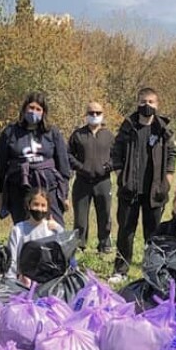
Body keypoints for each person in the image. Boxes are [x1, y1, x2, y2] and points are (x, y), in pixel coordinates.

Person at [110, 87, 176, 283]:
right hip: (130, 189)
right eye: (143, 101)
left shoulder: (164, 130)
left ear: (157, 105)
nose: (146, 105)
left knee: (153, 233)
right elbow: (116, 152)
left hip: (154, 191)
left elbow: (172, 154)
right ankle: (120, 270)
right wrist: (120, 174)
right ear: (137, 103)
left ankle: (152, 270)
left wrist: (168, 179)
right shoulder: (128, 127)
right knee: (126, 231)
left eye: (151, 102)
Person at [0, 92, 72, 226]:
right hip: (20, 187)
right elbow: (0, 165)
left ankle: (53, 247)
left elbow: (63, 165)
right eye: (31, 108)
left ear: (43, 112)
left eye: (38, 109)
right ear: (24, 109)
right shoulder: (10, 132)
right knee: (24, 225)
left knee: (54, 225)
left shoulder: (52, 132)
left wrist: (64, 194)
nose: (34, 112)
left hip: (49, 186)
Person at [69, 101, 115, 253]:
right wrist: (81, 168)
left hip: (103, 181)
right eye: (91, 113)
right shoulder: (77, 135)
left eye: (98, 113)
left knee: (105, 215)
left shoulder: (109, 136)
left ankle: (105, 244)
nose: (94, 115)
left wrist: (107, 167)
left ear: (103, 115)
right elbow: (68, 155)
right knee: (80, 217)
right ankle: (79, 245)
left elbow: (117, 156)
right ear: (86, 115)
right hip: (82, 181)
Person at [6, 188, 65, 285]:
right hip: (24, 282)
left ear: (47, 208)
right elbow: (12, 259)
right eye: (36, 204)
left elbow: (63, 256)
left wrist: (59, 229)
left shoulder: (53, 230)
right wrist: (11, 283)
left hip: (47, 282)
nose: (39, 209)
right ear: (29, 205)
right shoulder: (18, 230)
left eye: (43, 205)